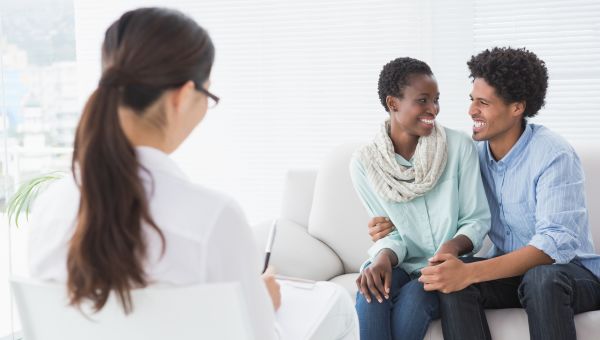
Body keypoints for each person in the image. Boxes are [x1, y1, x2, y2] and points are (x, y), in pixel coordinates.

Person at [27, 7, 357, 340]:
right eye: (208, 95)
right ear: (184, 97)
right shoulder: (212, 219)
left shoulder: (50, 208)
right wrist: (263, 305)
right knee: (337, 304)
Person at [372, 47, 600, 340]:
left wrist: (471, 273)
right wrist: (390, 222)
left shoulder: (553, 154)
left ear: (517, 107)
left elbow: (551, 246)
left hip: (570, 274)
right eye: (471, 100)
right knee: (454, 280)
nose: (471, 111)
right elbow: (432, 200)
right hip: (511, 273)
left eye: (483, 103)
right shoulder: (471, 154)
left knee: (540, 278)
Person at [350, 57, 491, 340]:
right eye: (423, 100)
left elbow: (476, 219)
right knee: (370, 296)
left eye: (436, 100)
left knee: (413, 304)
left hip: (445, 266)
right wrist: (382, 258)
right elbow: (392, 234)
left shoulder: (458, 146)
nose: (433, 110)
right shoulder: (366, 164)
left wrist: (448, 250)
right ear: (393, 103)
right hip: (400, 262)